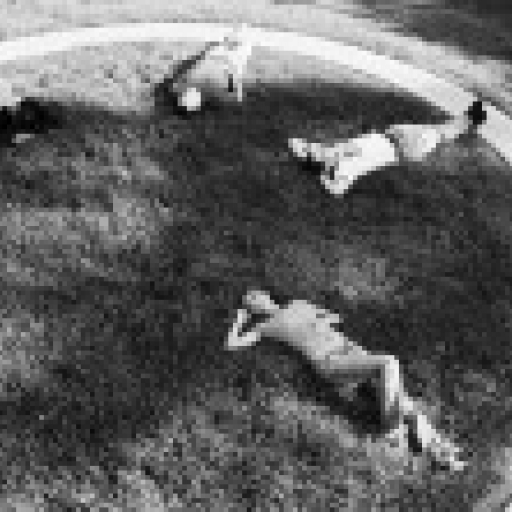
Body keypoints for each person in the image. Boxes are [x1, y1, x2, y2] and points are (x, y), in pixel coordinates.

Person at [226, 289, 467, 471]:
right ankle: (391, 429)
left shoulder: (298, 304)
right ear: (252, 310)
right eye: (249, 302)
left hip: (351, 349)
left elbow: (334, 317)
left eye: (254, 295)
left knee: (403, 401)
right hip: (330, 362)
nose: (253, 300)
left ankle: (441, 451)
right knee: (388, 363)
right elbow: (232, 344)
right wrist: (239, 320)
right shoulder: (266, 326)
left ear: (266, 294)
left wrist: (321, 322)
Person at [288, 100, 488, 196]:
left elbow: (337, 180)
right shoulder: (341, 168)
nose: (318, 150)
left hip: (396, 144)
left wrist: (323, 170)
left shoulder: (339, 164)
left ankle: (470, 119)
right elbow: (338, 186)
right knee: (437, 133)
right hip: (399, 145)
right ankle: (471, 119)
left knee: (438, 132)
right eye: (315, 153)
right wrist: (327, 177)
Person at [169, 24, 254, 113]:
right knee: (234, 55)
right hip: (221, 62)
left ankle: (236, 36)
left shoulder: (188, 82)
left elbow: (232, 79)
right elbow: (232, 77)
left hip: (217, 61)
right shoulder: (216, 95)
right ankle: (238, 36)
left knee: (228, 53)